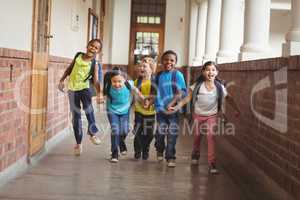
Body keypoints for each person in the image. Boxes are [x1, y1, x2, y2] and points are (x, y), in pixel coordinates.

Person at [168, 61, 240, 174]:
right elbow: (187, 98)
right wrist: (177, 107)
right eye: (207, 69)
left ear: (217, 72)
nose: (210, 72)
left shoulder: (219, 86)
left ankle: (212, 162)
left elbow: (229, 98)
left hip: (212, 115)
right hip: (198, 115)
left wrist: (236, 109)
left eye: (213, 70)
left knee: (210, 137)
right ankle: (195, 153)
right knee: (197, 136)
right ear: (203, 72)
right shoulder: (197, 85)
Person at [58, 38, 103, 156]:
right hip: (72, 90)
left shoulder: (95, 63)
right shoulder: (78, 55)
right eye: (91, 45)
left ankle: (92, 134)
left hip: (85, 89)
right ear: (87, 45)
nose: (93, 48)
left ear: (98, 51)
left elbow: (96, 80)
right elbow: (70, 69)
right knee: (76, 116)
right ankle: (78, 143)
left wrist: (100, 93)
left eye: (96, 48)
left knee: (89, 111)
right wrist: (62, 80)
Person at [103, 67, 145, 163]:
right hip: (112, 110)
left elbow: (136, 92)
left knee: (125, 130)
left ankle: (121, 142)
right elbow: (102, 95)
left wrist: (143, 99)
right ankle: (114, 154)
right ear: (111, 80)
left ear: (124, 79)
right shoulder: (108, 86)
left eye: (119, 81)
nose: (117, 84)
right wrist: (100, 98)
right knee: (115, 130)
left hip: (125, 111)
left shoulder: (129, 84)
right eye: (114, 81)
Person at [153, 50, 187, 168]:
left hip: (173, 110)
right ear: (162, 61)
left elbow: (181, 92)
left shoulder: (177, 75)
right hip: (160, 110)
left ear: (175, 62)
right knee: (160, 133)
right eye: (166, 60)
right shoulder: (158, 75)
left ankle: (170, 157)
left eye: (172, 60)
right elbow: (155, 91)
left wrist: (172, 103)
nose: (169, 62)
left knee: (172, 135)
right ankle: (159, 148)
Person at [133, 56, 156, 160]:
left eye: (144, 66)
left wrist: (150, 102)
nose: (141, 68)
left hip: (151, 112)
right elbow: (135, 95)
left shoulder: (155, 81)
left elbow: (156, 95)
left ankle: (145, 148)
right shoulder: (136, 82)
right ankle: (137, 151)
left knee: (149, 134)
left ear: (151, 69)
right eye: (140, 66)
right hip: (139, 110)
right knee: (138, 131)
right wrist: (141, 100)